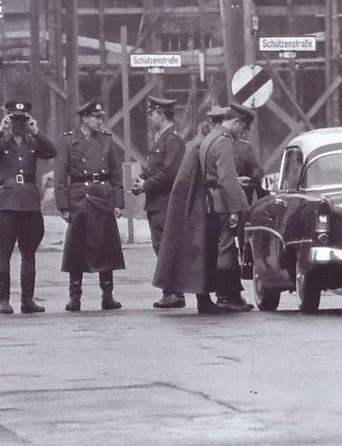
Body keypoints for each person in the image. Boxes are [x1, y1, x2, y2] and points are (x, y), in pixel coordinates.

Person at [54, 99, 125, 312]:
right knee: (76, 248)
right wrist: (63, 206)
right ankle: (75, 296)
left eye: (100, 117)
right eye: (95, 117)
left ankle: (108, 294)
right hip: (80, 198)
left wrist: (119, 202)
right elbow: (60, 175)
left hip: (102, 196)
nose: (99, 121)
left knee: (106, 247)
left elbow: (116, 173)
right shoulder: (68, 141)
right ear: (84, 119)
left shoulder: (106, 140)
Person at [153, 120, 225, 314]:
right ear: (211, 126)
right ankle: (204, 299)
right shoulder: (201, 146)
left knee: (195, 254)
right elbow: (203, 177)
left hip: (188, 205)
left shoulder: (195, 144)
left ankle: (201, 297)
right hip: (197, 206)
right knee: (201, 253)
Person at [0, 100, 56, 315]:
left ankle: (27, 299)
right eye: (15, 118)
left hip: (30, 204)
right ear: (7, 117)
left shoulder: (33, 142)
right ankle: (3, 299)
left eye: (22, 119)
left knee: (29, 253)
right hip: (6, 204)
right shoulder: (3, 143)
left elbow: (52, 151)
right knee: (3, 253)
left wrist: (37, 130)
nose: (18, 123)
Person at [199, 102, 255, 312]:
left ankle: (227, 294)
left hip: (211, 201)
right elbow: (227, 180)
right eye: (243, 127)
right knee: (227, 249)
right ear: (237, 121)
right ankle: (225, 296)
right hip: (222, 203)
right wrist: (235, 209)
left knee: (221, 248)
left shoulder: (210, 138)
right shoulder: (224, 142)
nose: (243, 132)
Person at [132, 96, 185, 309]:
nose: (150, 117)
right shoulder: (161, 139)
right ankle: (170, 290)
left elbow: (169, 172)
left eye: (152, 113)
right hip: (157, 203)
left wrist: (145, 185)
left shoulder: (172, 140)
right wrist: (143, 180)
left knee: (166, 247)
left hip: (164, 203)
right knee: (160, 246)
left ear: (162, 115)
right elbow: (155, 168)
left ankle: (174, 291)